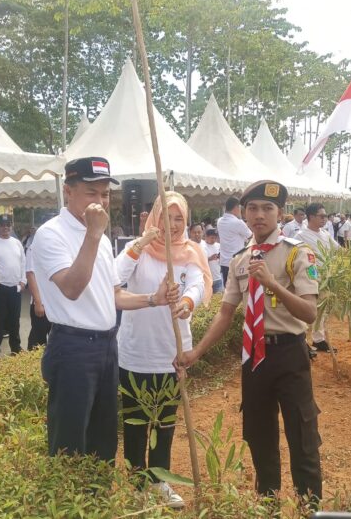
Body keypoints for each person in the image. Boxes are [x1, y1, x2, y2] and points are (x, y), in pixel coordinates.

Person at [175, 180, 322, 502]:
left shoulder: (298, 253)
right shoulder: (241, 259)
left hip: (289, 354)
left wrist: (273, 284)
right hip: (254, 358)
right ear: (244, 214)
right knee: (259, 434)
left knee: (302, 434)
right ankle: (267, 503)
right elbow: (225, 314)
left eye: (267, 208)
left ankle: (309, 505)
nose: (259, 215)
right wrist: (196, 352)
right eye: (252, 208)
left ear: (279, 214)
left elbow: (309, 313)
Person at [31, 156, 179, 462]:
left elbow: (113, 295)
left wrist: (154, 298)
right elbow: (72, 288)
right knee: (69, 440)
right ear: (68, 192)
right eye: (91, 193)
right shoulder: (51, 234)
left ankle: (98, 500)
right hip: (72, 347)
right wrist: (94, 235)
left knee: (104, 437)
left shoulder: (95, 234)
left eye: (105, 194)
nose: (100, 202)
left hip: (107, 346)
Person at [116, 192, 211, 509]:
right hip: (136, 353)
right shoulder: (137, 250)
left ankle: (158, 483)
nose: (172, 224)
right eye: (167, 216)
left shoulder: (191, 251)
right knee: (135, 424)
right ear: (154, 217)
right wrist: (141, 242)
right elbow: (114, 277)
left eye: (179, 218)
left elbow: (197, 285)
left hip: (171, 354)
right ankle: (135, 483)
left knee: (165, 424)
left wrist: (187, 301)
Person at [295, 203, 339, 352]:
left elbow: (338, 250)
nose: (325, 219)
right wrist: (311, 277)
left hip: (326, 277)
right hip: (310, 278)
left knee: (322, 310)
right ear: (311, 217)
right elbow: (294, 258)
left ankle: (318, 340)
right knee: (306, 310)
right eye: (322, 216)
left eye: (325, 216)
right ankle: (300, 340)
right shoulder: (300, 236)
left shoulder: (325, 234)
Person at [0, 214, 26, 357]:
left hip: (15, 287)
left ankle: (16, 348)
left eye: (8, 225)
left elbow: (23, 263)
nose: (5, 228)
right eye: (2, 225)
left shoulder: (17, 243)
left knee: (15, 320)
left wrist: (23, 281)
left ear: (11, 226)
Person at [217, 196, 252, 286]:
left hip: (224, 261)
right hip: (237, 261)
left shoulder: (219, 221)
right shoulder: (237, 222)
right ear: (236, 207)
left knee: (228, 290)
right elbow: (251, 236)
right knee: (241, 289)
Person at [25, 245, 51, 351]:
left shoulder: (62, 243)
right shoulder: (34, 247)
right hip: (42, 303)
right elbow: (30, 274)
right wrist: (38, 302)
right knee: (37, 342)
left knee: (57, 341)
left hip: (58, 305)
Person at [202, 228, 223, 293]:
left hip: (218, 278)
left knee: (218, 300)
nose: (213, 240)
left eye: (215, 238)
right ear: (206, 237)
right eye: (212, 238)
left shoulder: (218, 245)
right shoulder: (202, 246)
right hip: (207, 280)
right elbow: (200, 261)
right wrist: (210, 258)